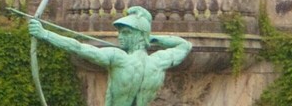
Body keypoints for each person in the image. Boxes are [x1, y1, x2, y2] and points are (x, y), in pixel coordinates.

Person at [28, 6, 192, 106]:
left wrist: (45, 34)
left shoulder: (119, 58)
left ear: (140, 35)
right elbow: (184, 45)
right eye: (119, 32)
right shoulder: (158, 61)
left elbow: (77, 47)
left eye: (126, 32)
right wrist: (152, 37)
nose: (120, 36)